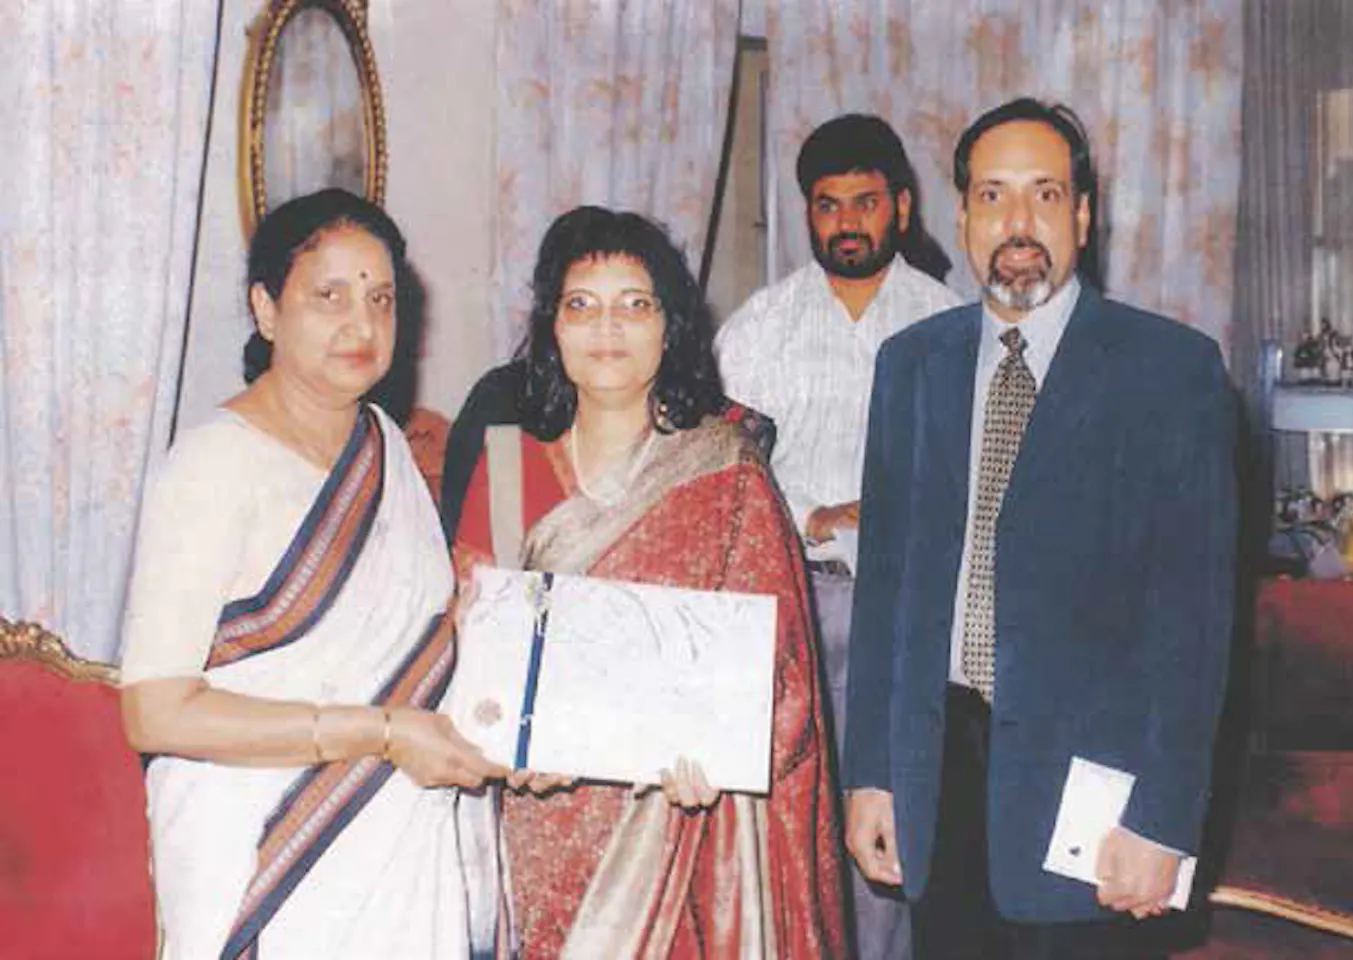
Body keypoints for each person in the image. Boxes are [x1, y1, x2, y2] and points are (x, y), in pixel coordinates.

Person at [842, 97, 1238, 959]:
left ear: (1084, 215)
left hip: (1095, 809)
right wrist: (870, 773)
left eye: (1045, 195)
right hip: (938, 788)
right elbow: (884, 594)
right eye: (992, 196)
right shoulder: (911, 366)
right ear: (961, 215)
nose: (1017, 223)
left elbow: (1194, 629)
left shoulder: (1171, 372)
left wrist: (1164, 818)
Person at [117, 189, 513, 959]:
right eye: (328, 296)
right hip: (266, 843)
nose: (361, 325)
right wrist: (381, 733)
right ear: (266, 309)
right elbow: (155, 713)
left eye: (380, 299)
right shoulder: (210, 467)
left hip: (398, 838)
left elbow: (413, 648)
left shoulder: (386, 446)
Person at [453, 205, 847, 958]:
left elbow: (785, 674)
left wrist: (725, 752)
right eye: (582, 306)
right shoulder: (507, 472)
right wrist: (504, 748)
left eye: (635, 305)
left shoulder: (726, 469)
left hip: (686, 825)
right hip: (546, 824)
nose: (608, 329)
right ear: (552, 329)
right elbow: (473, 653)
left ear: (671, 328)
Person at [715, 111, 960, 960]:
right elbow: (728, 479)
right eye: (828, 205)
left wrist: (881, 511)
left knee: (885, 819)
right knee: (785, 817)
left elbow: (971, 481)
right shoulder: (756, 330)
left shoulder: (948, 326)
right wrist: (819, 516)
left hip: (907, 613)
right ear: (806, 213)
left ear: (900, 204)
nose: (847, 222)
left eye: (864, 202)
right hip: (790, 602)